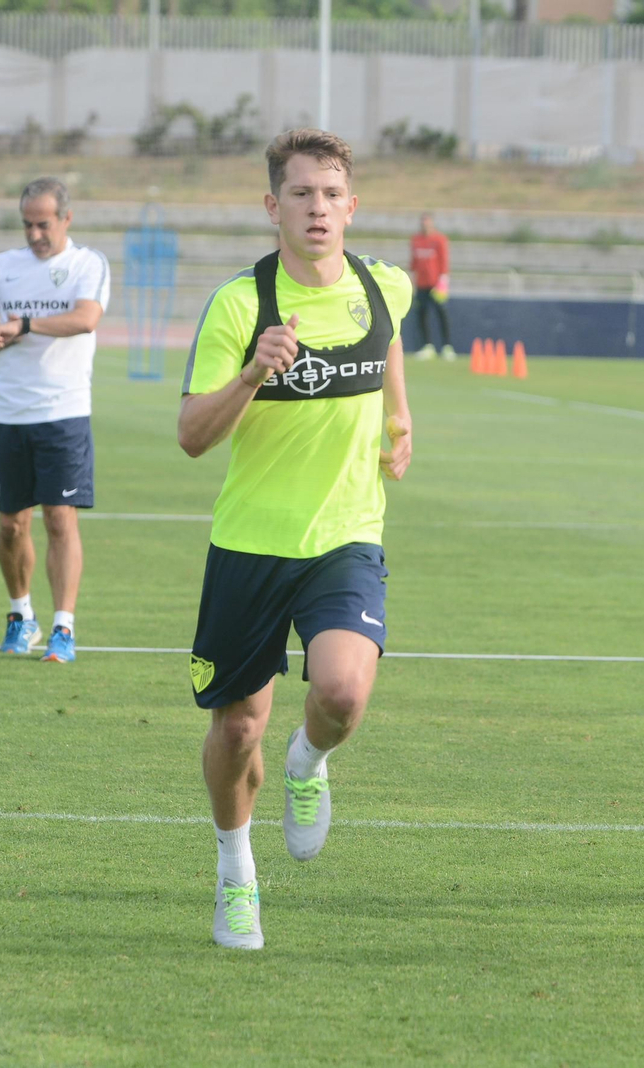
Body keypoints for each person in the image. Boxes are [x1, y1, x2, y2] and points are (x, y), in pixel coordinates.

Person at [178, 128, 413, 950]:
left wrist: (400, 416)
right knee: (238, 726)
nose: (318, 208)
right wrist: (251, 374)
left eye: (331, 194)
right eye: (301, 193)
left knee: (343, 691)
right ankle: (235, 875)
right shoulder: (242, 306)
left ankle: (309, 762)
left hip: (347, 536)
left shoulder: (386, 286)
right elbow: (191, 436)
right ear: (271, 205)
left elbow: (386, 344)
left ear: (353, 206)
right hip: (249, 544)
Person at [0, 176, 110, 664]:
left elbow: (86, 319)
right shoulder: (3, 267)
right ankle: (19, 615)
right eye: (26, 224)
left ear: (66, 219)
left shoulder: (87, 264)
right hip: (8, 413)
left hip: (63, 413)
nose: (33, 234)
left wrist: (24, 324)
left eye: (42, 224)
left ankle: (63, 628)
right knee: (11, 526)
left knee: (59, 519)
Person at [408, 212, 454, 360]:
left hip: (437, 284)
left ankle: (447, 347)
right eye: (423, 222)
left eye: (427, 222)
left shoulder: (439, 240)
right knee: (422, 314)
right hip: (421, 284)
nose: (425, 225)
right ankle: (427, 346)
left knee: (442, 314)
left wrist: (443, 280)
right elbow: (414, 262)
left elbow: (444, 261)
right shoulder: (416, 240)